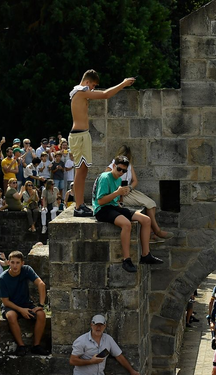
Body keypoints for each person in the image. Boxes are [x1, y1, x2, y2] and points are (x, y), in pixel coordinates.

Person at [70, 70, 136, 217]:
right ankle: (78, 206)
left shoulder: (80, 92)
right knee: (80, 171)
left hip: (82, 135)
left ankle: (80, 204)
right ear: (87, 82)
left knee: (83, 170)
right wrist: (124, 83)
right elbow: (105, 94)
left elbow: (102, 92)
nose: (93, 89)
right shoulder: (80, 92)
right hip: (79, 135)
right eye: (93, 85)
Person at [93, 156, 163, 272]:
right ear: (114, 166)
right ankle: (126, 259)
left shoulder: (119, 180)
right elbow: (100, 201)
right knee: (126, 224)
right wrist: (117, 193)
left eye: (124, 171)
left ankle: (146, 255)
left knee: (146, 220)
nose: (121, 172)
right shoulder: (105, 177)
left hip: (113, 206)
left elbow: (117, 199)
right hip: (102, 209)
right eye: (119, 169)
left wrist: (120, 197)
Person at [0, 250, 49, 355]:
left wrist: (40, 305)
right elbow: (5, 301)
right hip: (11, 306)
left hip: (25, 303)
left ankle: (36, 345)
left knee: (41, 314)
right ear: (8, 262)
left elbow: (41, 284)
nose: (15, 265)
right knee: (11, 316)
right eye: (12, 262)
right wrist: (21, 310)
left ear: (22, 263)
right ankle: (21, 346)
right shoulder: (3, 278)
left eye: (17, 262)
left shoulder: (26, 270)